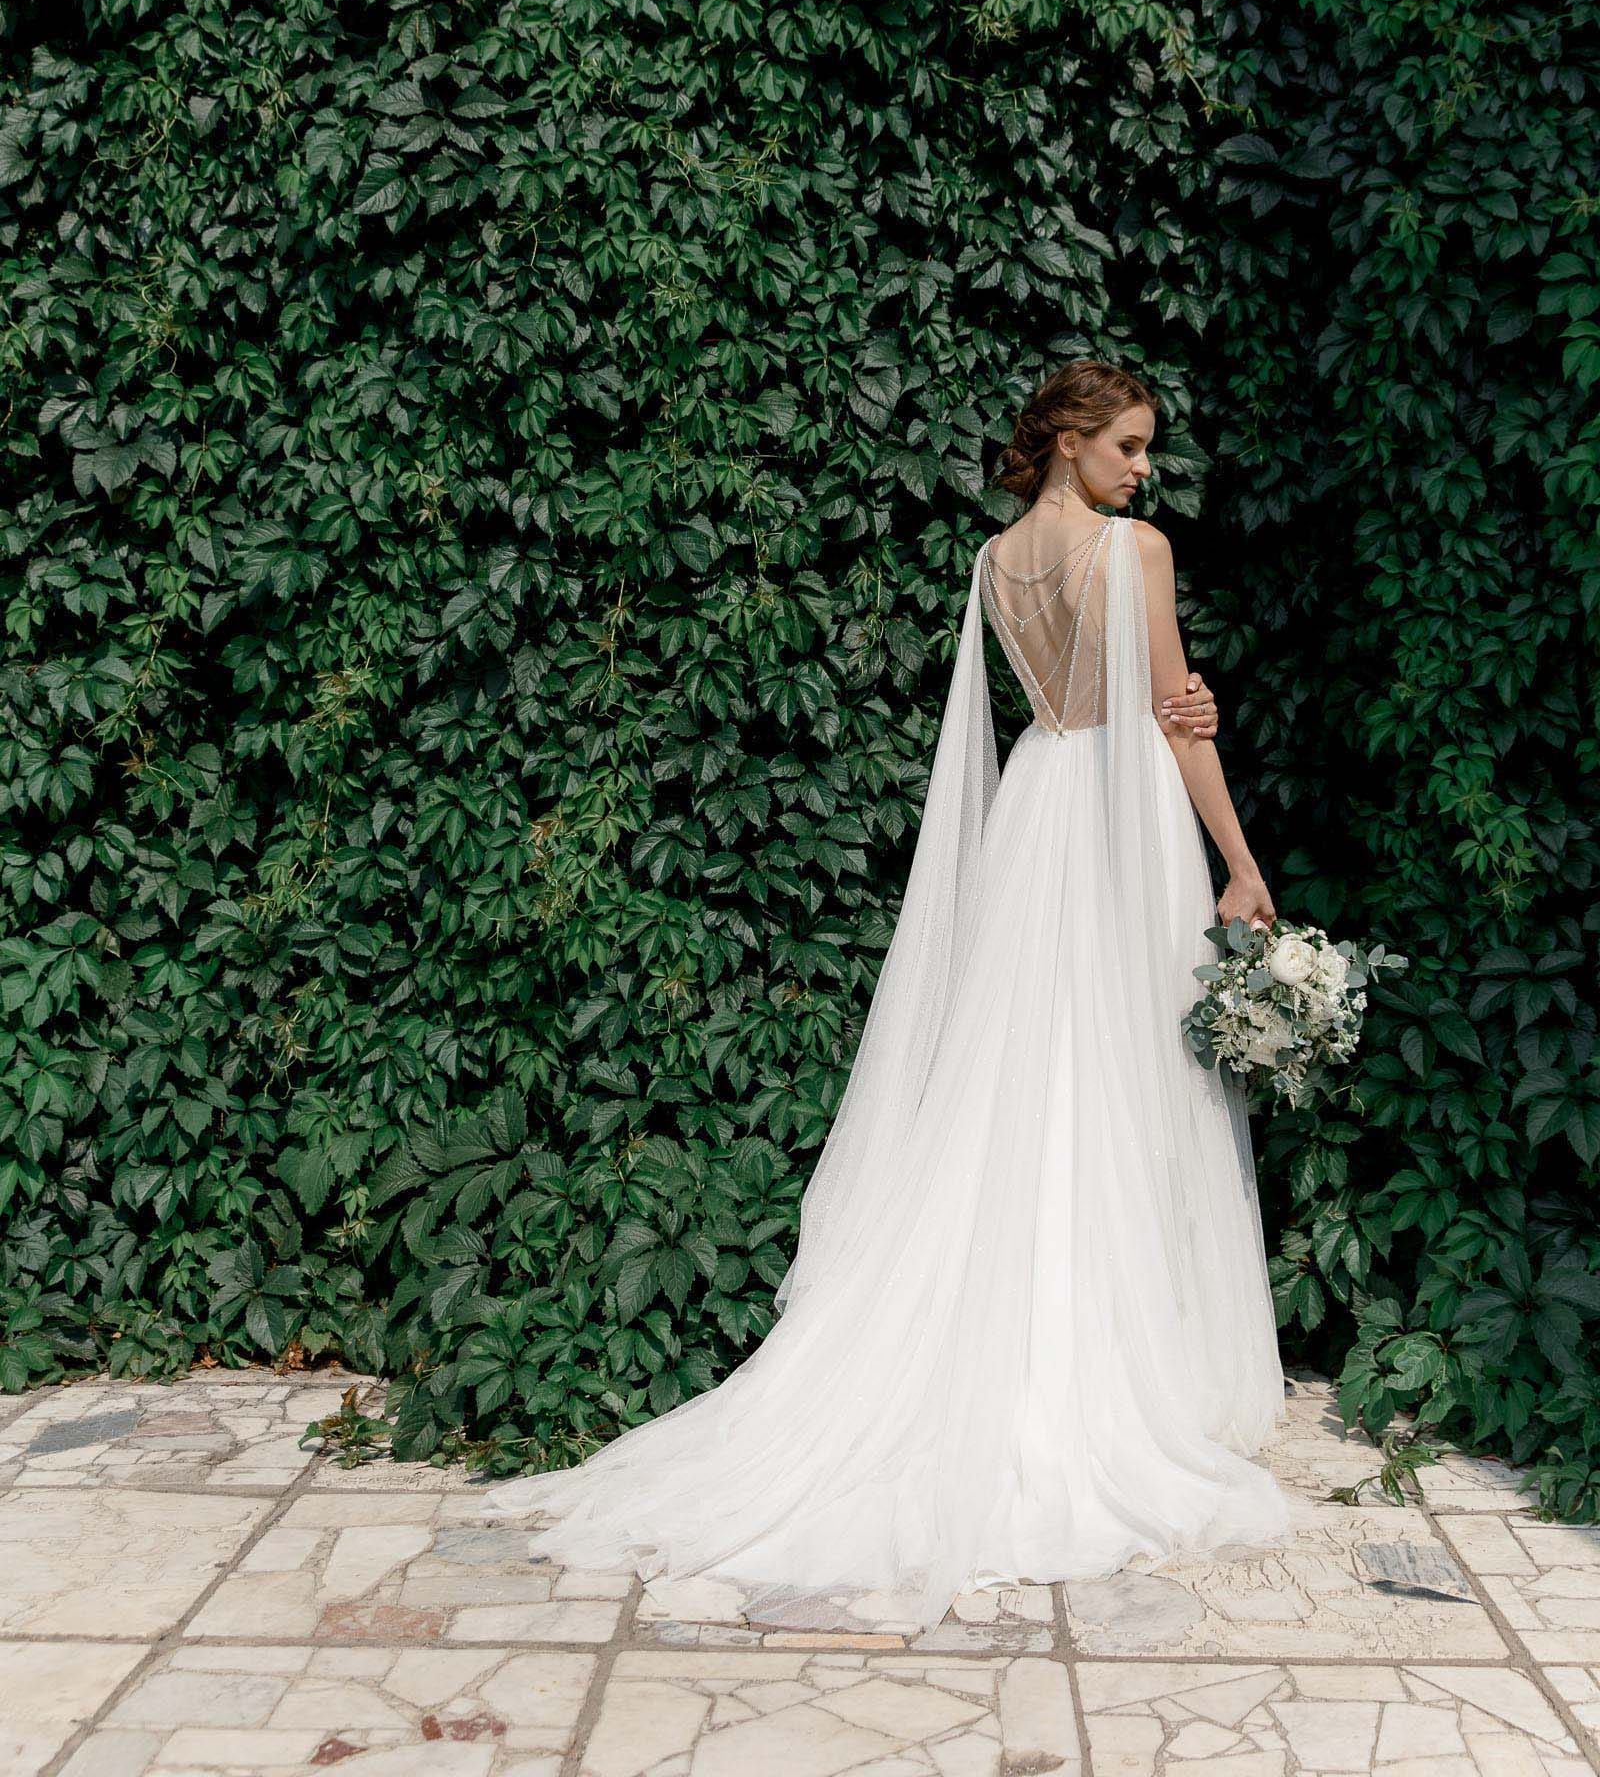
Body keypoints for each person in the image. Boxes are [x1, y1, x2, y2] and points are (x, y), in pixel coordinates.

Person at [481, 359, 1294, 1631]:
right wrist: (1241, 865)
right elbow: (1174, 722)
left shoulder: (990, 562)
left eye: (1144, 451)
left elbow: (1068, 705)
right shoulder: (1135, 551)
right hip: (1121, 819)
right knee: (1119, 1075)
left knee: (1027, 1077)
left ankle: (1034, 1335)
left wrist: (1165, 698)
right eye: (1128, 444)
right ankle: (1112, 1364)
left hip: (1038, 810)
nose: (1143, 467)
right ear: (1072, 440)